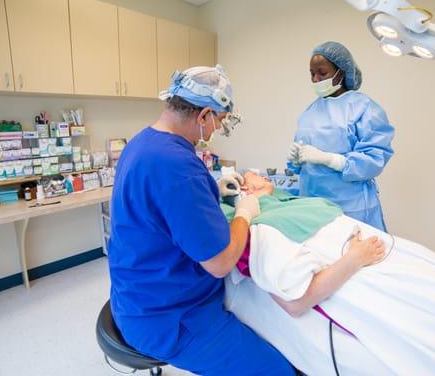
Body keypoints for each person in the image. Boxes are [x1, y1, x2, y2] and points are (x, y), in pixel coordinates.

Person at [222, 172, 435, 375]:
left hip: (398, 261)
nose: (250, 176)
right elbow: (295, 302)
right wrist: (354, 259)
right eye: (245, 179)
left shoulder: (285, 200)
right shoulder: (259, 227)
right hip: (358, 274)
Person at [108, 65, 298, 376]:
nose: (213, 133)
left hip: (136, 296)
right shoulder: (178, 167)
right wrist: (245, 212)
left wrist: (213, 192)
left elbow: (164, 209)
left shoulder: (142, 143)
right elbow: (221, 262)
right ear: (204, 115)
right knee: (277, 371)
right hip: (171, 317)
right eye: (217, 124)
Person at [287, 41, 395, 231]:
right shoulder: (310, 111)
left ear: (341, 72)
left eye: (322, 73)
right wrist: (296, 161)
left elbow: (374, 158)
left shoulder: (364, 108)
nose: (315, 79)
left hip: (351, 209)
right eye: (312, 73)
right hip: (311, 205)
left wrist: (330, 159)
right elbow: (304, 160)